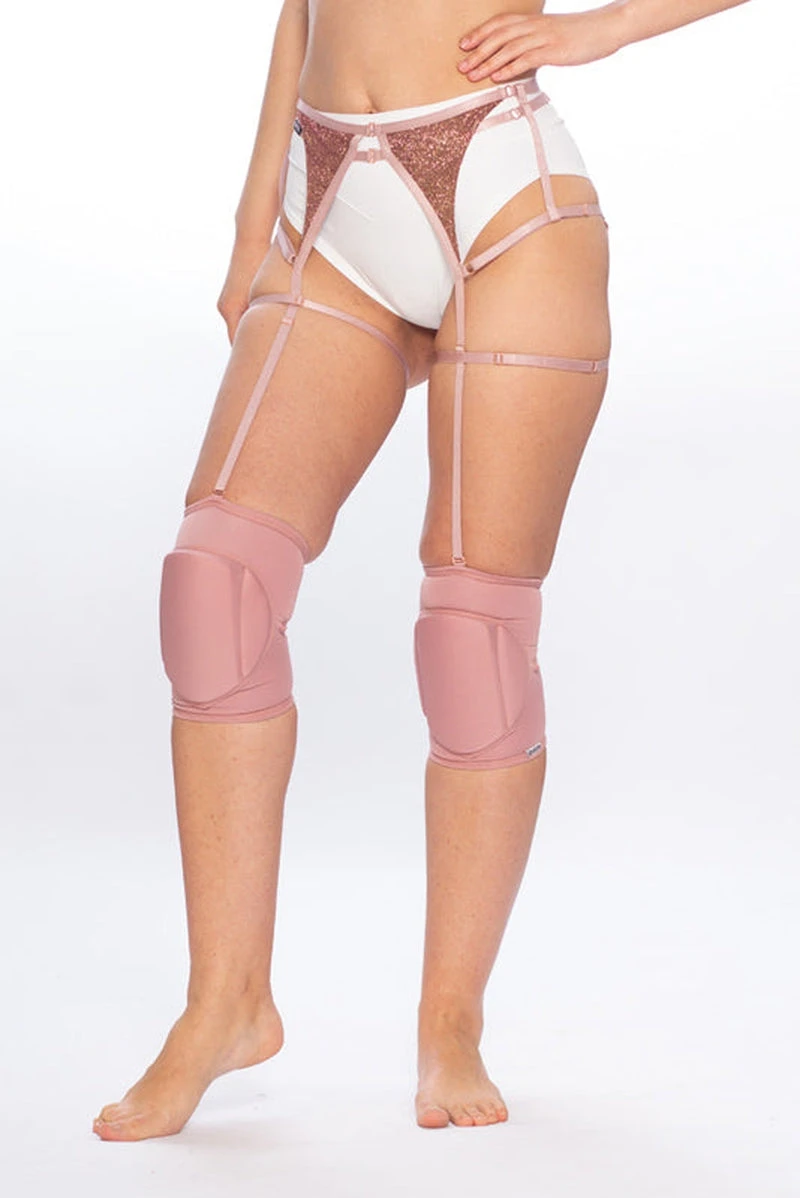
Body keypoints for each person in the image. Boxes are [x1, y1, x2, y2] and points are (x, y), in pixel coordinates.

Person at [93, 0, 750, 1141]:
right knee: (214, 584)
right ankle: (225, 1003)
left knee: (472, 638)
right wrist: (253, 215)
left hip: (505, 195)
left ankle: (451, 1020)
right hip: (329, 204)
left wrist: (602, 29)